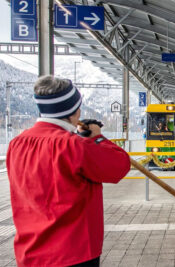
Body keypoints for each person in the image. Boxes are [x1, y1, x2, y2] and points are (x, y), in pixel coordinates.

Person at [6, 76, 131, 267]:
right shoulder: (72, 145)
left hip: (30, 253)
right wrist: (97, 138)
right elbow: (119, 166)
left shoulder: (17, 144)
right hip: (73, 252)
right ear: (73, 111)